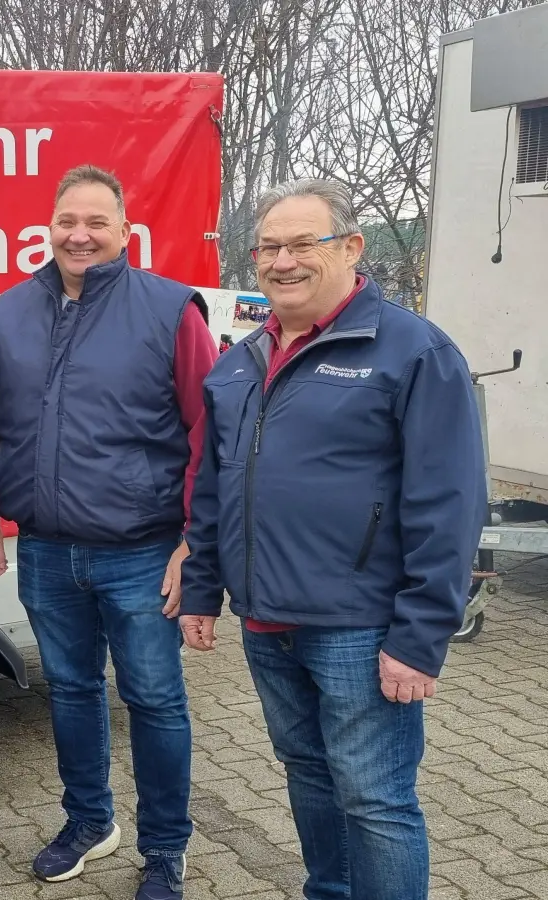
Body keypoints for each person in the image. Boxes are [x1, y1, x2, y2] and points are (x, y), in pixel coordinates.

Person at [179, 178, 487, 900]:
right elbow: (215, 488)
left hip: (359, 628)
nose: (282, 261)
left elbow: (451, 503)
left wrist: (419, 636)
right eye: (268, 247)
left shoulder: (412, 351)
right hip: (266, 625)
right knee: (310, 777)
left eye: (301, 244)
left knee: (376, 800)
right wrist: (200, 589)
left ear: (351, 248)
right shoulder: (240, 363)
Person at [0, 165, 216, 900]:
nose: (79, 235)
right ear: (49, 225)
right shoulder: (11, 311)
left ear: (124, 231)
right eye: (67, 221)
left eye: (96, 223)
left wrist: (194, 541)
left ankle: (166, 848)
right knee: (72, 692)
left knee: (154, 699)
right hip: (46, 549)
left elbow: (210, 432)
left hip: (143, 552)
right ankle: (88, 822)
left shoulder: (172, 311)